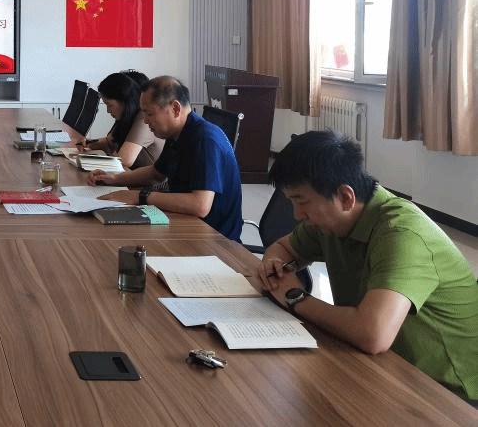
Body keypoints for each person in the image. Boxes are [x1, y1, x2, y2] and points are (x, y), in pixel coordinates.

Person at [256, 130, 478, 403]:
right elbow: (283, 248)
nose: (297, 215)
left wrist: (296, 298)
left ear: (345, 197)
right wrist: (274, 265)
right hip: (386, 368)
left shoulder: (403, 233)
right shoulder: (331, 221)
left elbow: (373, 334)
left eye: (302, 202)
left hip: (451, 395)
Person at [87, 75, 243, 241]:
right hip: (185, 223)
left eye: (149, 114)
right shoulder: (177, 133)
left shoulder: (206, 140)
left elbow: (200, 205)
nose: (145, 121)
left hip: (213, 239)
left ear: (175, 108)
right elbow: (156, 174)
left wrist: (140, 196)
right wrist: (115, 179)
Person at [77, 72, 163, 171]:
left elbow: (124, 160)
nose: (108, 111)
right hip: (132, 175)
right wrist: (87, 144)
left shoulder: (143, 119)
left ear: (124, 101)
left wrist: (90, 159)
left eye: (109, 105)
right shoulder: (126, 118)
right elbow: (109, 142)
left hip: (147, 180)